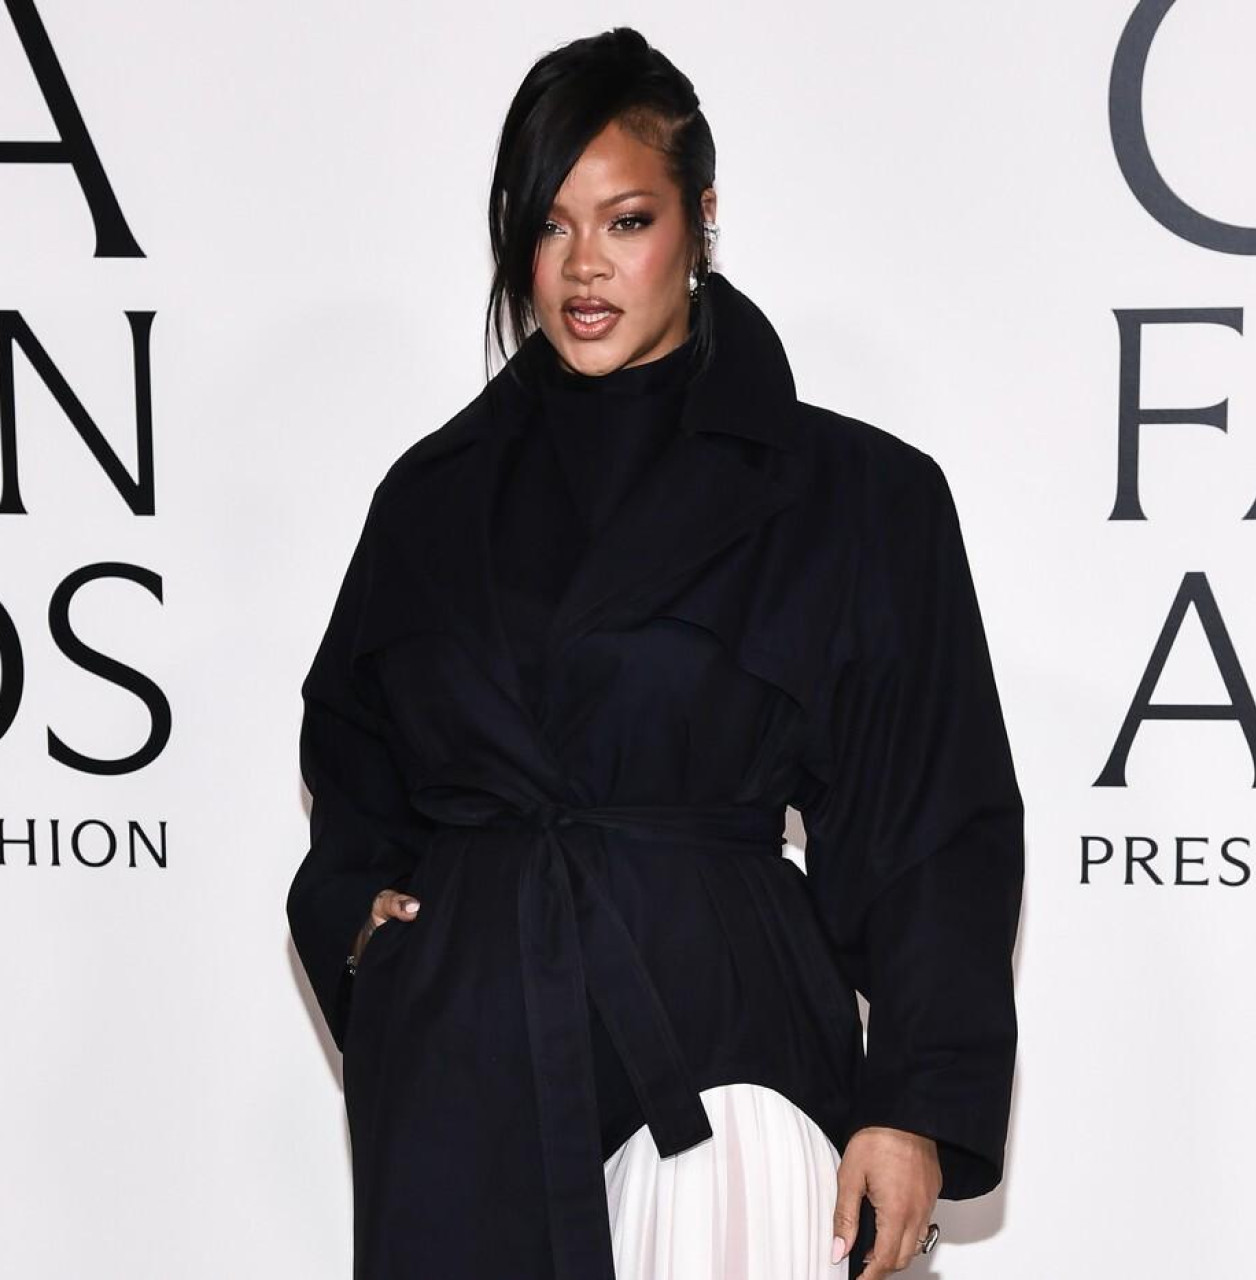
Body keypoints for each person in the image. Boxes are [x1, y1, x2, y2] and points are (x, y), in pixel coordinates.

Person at [287, 26, 1024, 1280]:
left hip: (718, 1063)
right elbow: (352, 757)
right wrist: (364, 929)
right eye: (547, 223)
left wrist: (909, 1103)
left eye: (625, 220)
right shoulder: (430, 495)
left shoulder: (851, 494)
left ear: (701, 215)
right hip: (465, 1071)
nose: (582, 266)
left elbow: (930, 823)